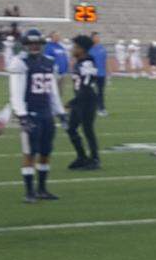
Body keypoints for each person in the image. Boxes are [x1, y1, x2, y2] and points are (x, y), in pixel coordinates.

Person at [8, 29, 64, 202]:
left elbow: (52, 91)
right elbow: (16, 93)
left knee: (46, 152)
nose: (34, 46)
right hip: (31, 114)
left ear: (41, 44)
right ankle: (29, 191)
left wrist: (60, 112)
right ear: (25, 44)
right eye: (30, 43)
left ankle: (42, 189)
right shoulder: (20, 63)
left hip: (46, 114)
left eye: (36, 43)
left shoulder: (48, 61)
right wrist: (22, 115)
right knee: (29, 153)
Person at [66, 35, 101, 170]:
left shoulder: (87, 62)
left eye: (75, 47)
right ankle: (82, 157)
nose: (73, 49)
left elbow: (86, 85)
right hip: (80, 100)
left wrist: (72, 102)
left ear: (82, 49)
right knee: (71, 129)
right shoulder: (80, 61)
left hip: (87, 100)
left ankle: (95, 159)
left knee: (88, 130)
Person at [88, 32, 109, 117]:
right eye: (96, 37)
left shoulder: (102, 48)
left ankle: (101, 108)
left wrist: (108, 72)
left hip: (101, 74)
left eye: (98, 37)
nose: (98, 38)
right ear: (92, 38)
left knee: (100, 92)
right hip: (92, 74)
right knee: (90, 93)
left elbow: (105, 61)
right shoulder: (89, 49)